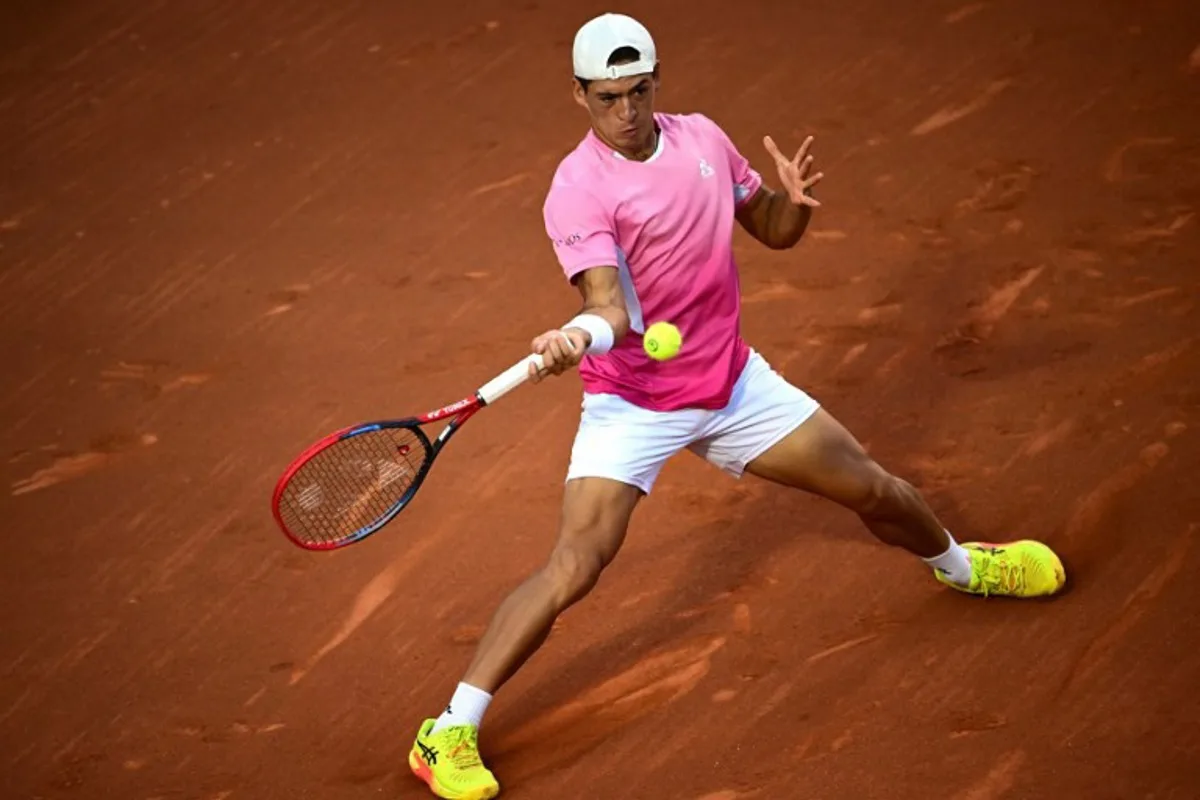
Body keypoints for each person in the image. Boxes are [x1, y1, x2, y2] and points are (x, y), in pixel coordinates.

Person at [407, 12, 1066, 799]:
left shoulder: (704, 141)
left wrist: (796, 203)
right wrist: (577, 336)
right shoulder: (578, 188)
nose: (626, 111)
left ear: (656, 82)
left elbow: (774, 232)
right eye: (607, 96)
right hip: (634, 404)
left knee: (874, 488)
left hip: (731, 384)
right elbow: (610, 306)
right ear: (579, 94)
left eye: (638, 91)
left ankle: (963, 569)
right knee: (576, 563)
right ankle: (447, 730)